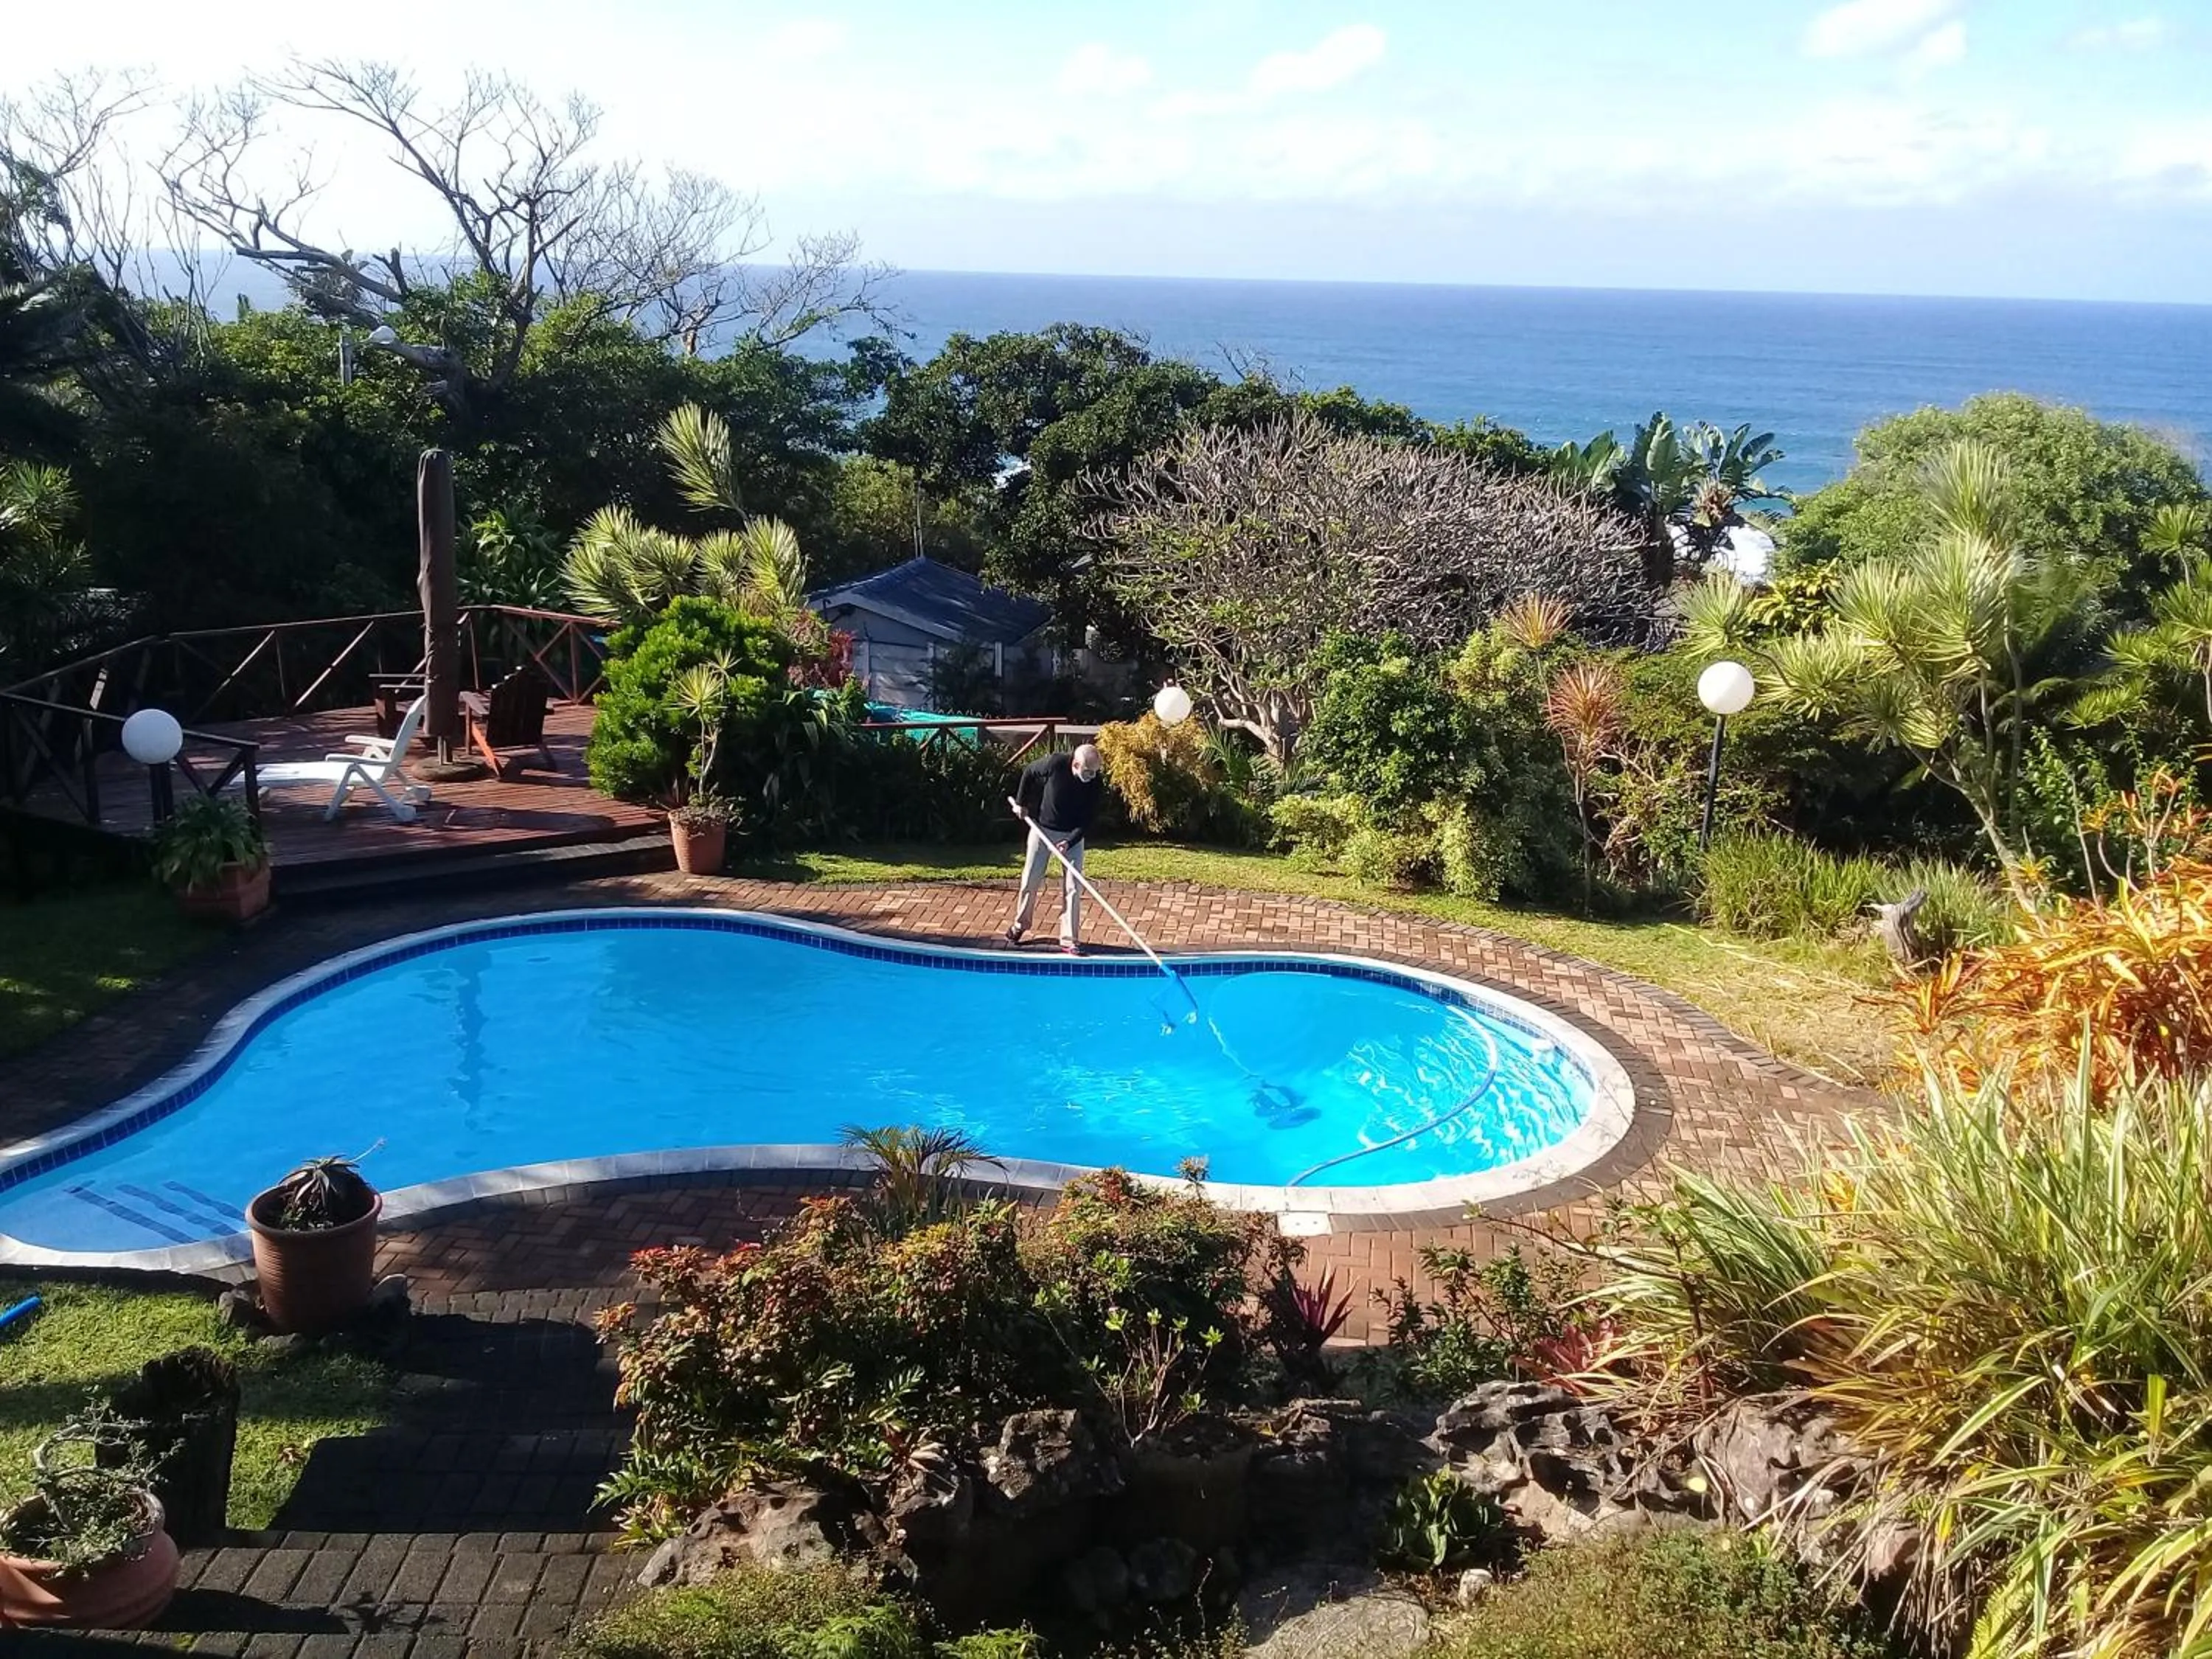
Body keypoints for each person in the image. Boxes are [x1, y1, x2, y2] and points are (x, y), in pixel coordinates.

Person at [1006, 742, 1105, 953]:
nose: (1091, 777)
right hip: (1042, 831)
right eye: (1087, 772)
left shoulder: (1095, 784)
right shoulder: (1056, 763)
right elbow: (1030, 771)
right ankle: (1020, 925)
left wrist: (1070, 841)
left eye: (1095, 772)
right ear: (1075, 764)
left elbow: (1088, 820)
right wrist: (1022, 803)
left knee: (1073, 888)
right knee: (1030, 880)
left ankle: (1069, 939)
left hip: (1072, 838)